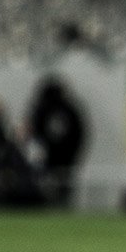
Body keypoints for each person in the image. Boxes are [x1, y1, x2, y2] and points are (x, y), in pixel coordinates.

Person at [27, 74, 87, 207]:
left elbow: (33, 133)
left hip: (50, 158)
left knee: (49, 187)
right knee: (59, 189)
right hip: (61, 158)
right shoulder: (69, 109)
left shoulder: (41, 109)